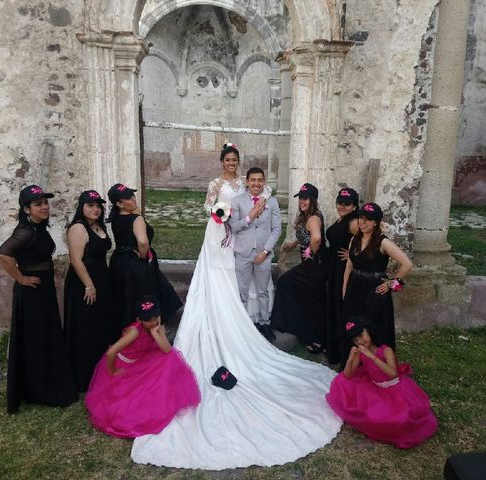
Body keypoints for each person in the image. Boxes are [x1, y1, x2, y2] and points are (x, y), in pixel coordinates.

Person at [131, 144, 342, 470]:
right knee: (221, 280)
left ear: (239, 165)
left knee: (244, 285)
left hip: (244, 243)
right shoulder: (218, 186)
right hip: (219, 235)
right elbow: (211, 209)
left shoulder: (247, 187)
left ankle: (246, 321)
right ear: (223, 163)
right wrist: (223, 217)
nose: (231, 164)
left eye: (234, 160)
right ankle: (218, 318)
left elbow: (261, 212)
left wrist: (253, 223)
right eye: (227, 160)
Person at [0, 184, 77, 413]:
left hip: (44, 290)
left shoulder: (39, 228)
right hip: (31, 292)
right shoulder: (25, 231)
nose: (44, 207)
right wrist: (21, 278)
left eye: (45, 202)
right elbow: (3, 253)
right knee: (35, 337)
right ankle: (38, 389)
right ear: (26, 208)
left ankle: (45, 382)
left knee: (45, 335)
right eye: (38, 204)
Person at [85, 295, 200, 439]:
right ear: (139, 320)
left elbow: (167, 350)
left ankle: (165, 394)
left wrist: (156, 333)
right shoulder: (135, 331)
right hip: (123, 364)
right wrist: (112, 371)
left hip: (141, 360)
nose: (153, 321)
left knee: (169, 359)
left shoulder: (158, 325)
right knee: (126, 404)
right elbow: (111, 352)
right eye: (148, 319)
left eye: (155, 316)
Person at [326, 316, 438, 448]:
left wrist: (372, 357)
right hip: (374, 386)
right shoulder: (361, 352)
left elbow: (393, 373)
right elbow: (347, 375)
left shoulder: (386, 350)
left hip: (393, 389)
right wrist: (351, 358)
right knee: (340, 381)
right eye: (356, 340)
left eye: (361, 335)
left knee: (397, 419)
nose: (360, 341)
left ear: (369, 331)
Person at [107, 183, 182, 341]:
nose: (133, 199)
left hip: (120, 261)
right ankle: (148, 332)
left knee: (126, 297)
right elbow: (142, 242)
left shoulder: (116, 218)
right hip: (136, 263)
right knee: (144, 294)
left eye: (132, 195)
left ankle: (127, 331)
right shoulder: (136, 219)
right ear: (119, 203)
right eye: (128, 197)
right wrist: (143, 256)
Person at [342, 202, 412, 357]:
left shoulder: (383, 242)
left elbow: (407, 264)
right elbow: (349, 266)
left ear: (376, 222)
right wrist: (344, 290)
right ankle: (353, 365)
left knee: (372, 330)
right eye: (361, 217)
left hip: (374, 292)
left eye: (368, 219)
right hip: (355, 288)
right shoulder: (354, 239)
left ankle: (375, 367)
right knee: (354, 329)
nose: (362, 222)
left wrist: (391, 284)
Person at [270, 183, 329, 354]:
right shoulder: (306, 216)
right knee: (296, 291)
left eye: (306, 199)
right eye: (301, 198)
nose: (302, 201)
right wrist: (294, 243)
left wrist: (310, 254)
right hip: (310, 264)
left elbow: (317, 238)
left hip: (315, 265)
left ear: (313, 200)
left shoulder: (313, 218)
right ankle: (298, 327)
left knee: (287, 285)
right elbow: (306, 234)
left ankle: (316, 338)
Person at [63, 190, 112, 392]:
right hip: (84, 282)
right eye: (90, 205)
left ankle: (99, 371)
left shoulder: (98, 226)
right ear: (81, 207)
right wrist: (89, 285)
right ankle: (83, 375)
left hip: (101, 278)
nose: (95, 209)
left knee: (99, 325)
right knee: (85, 327)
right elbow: (75, 260)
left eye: (98, 206)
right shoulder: (78, 228)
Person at [228, 167, 281, 341]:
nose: (256, 183)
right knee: (242, 291)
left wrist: (266, 251)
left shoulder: (271, 202)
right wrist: (249, 217)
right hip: (243, 252)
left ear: (264, 182)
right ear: (247, 181)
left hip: (263, 254)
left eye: (260, 180)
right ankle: (242, 326)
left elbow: (276, 229)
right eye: (253, 180)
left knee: (263, 291)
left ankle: (265, 323)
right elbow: (234, 227)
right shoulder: (237, 201)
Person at [325, 188, 360, 364]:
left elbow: (369, 241)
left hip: (343, 270)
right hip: (334, 268)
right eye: (340, 202)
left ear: (354, 206)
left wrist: (352, 256)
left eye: (347, 204)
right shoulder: (344, 219)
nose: (342, 206)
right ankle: (335, 349)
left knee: (340, 306)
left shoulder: (353, 222)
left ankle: (343, 351)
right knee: (334, 304)